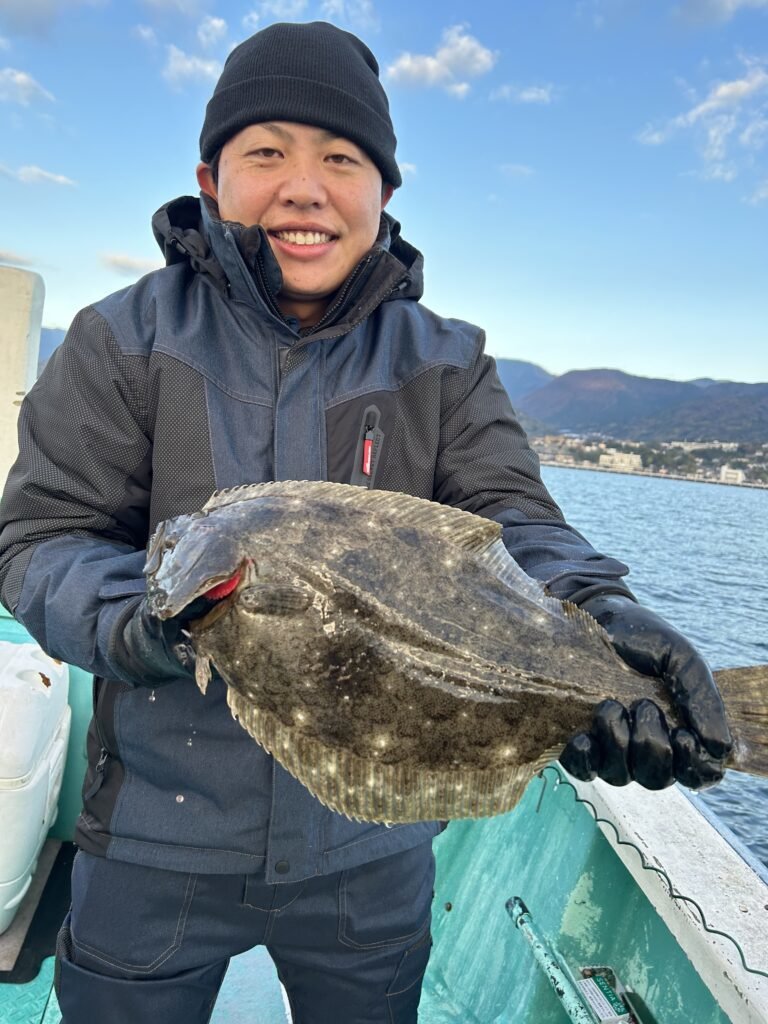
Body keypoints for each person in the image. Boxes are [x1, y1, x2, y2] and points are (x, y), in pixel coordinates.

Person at [0, 20, 732, 1024]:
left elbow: (513, 520)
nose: (305, 188)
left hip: (370, 858)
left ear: (384, 190)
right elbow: (41, 541)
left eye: (341, 159)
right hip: (154, 840)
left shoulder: (446, 361)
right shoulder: (122, 340)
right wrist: (150, 614)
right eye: (267, 153)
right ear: (210, 179)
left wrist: (600, 615)